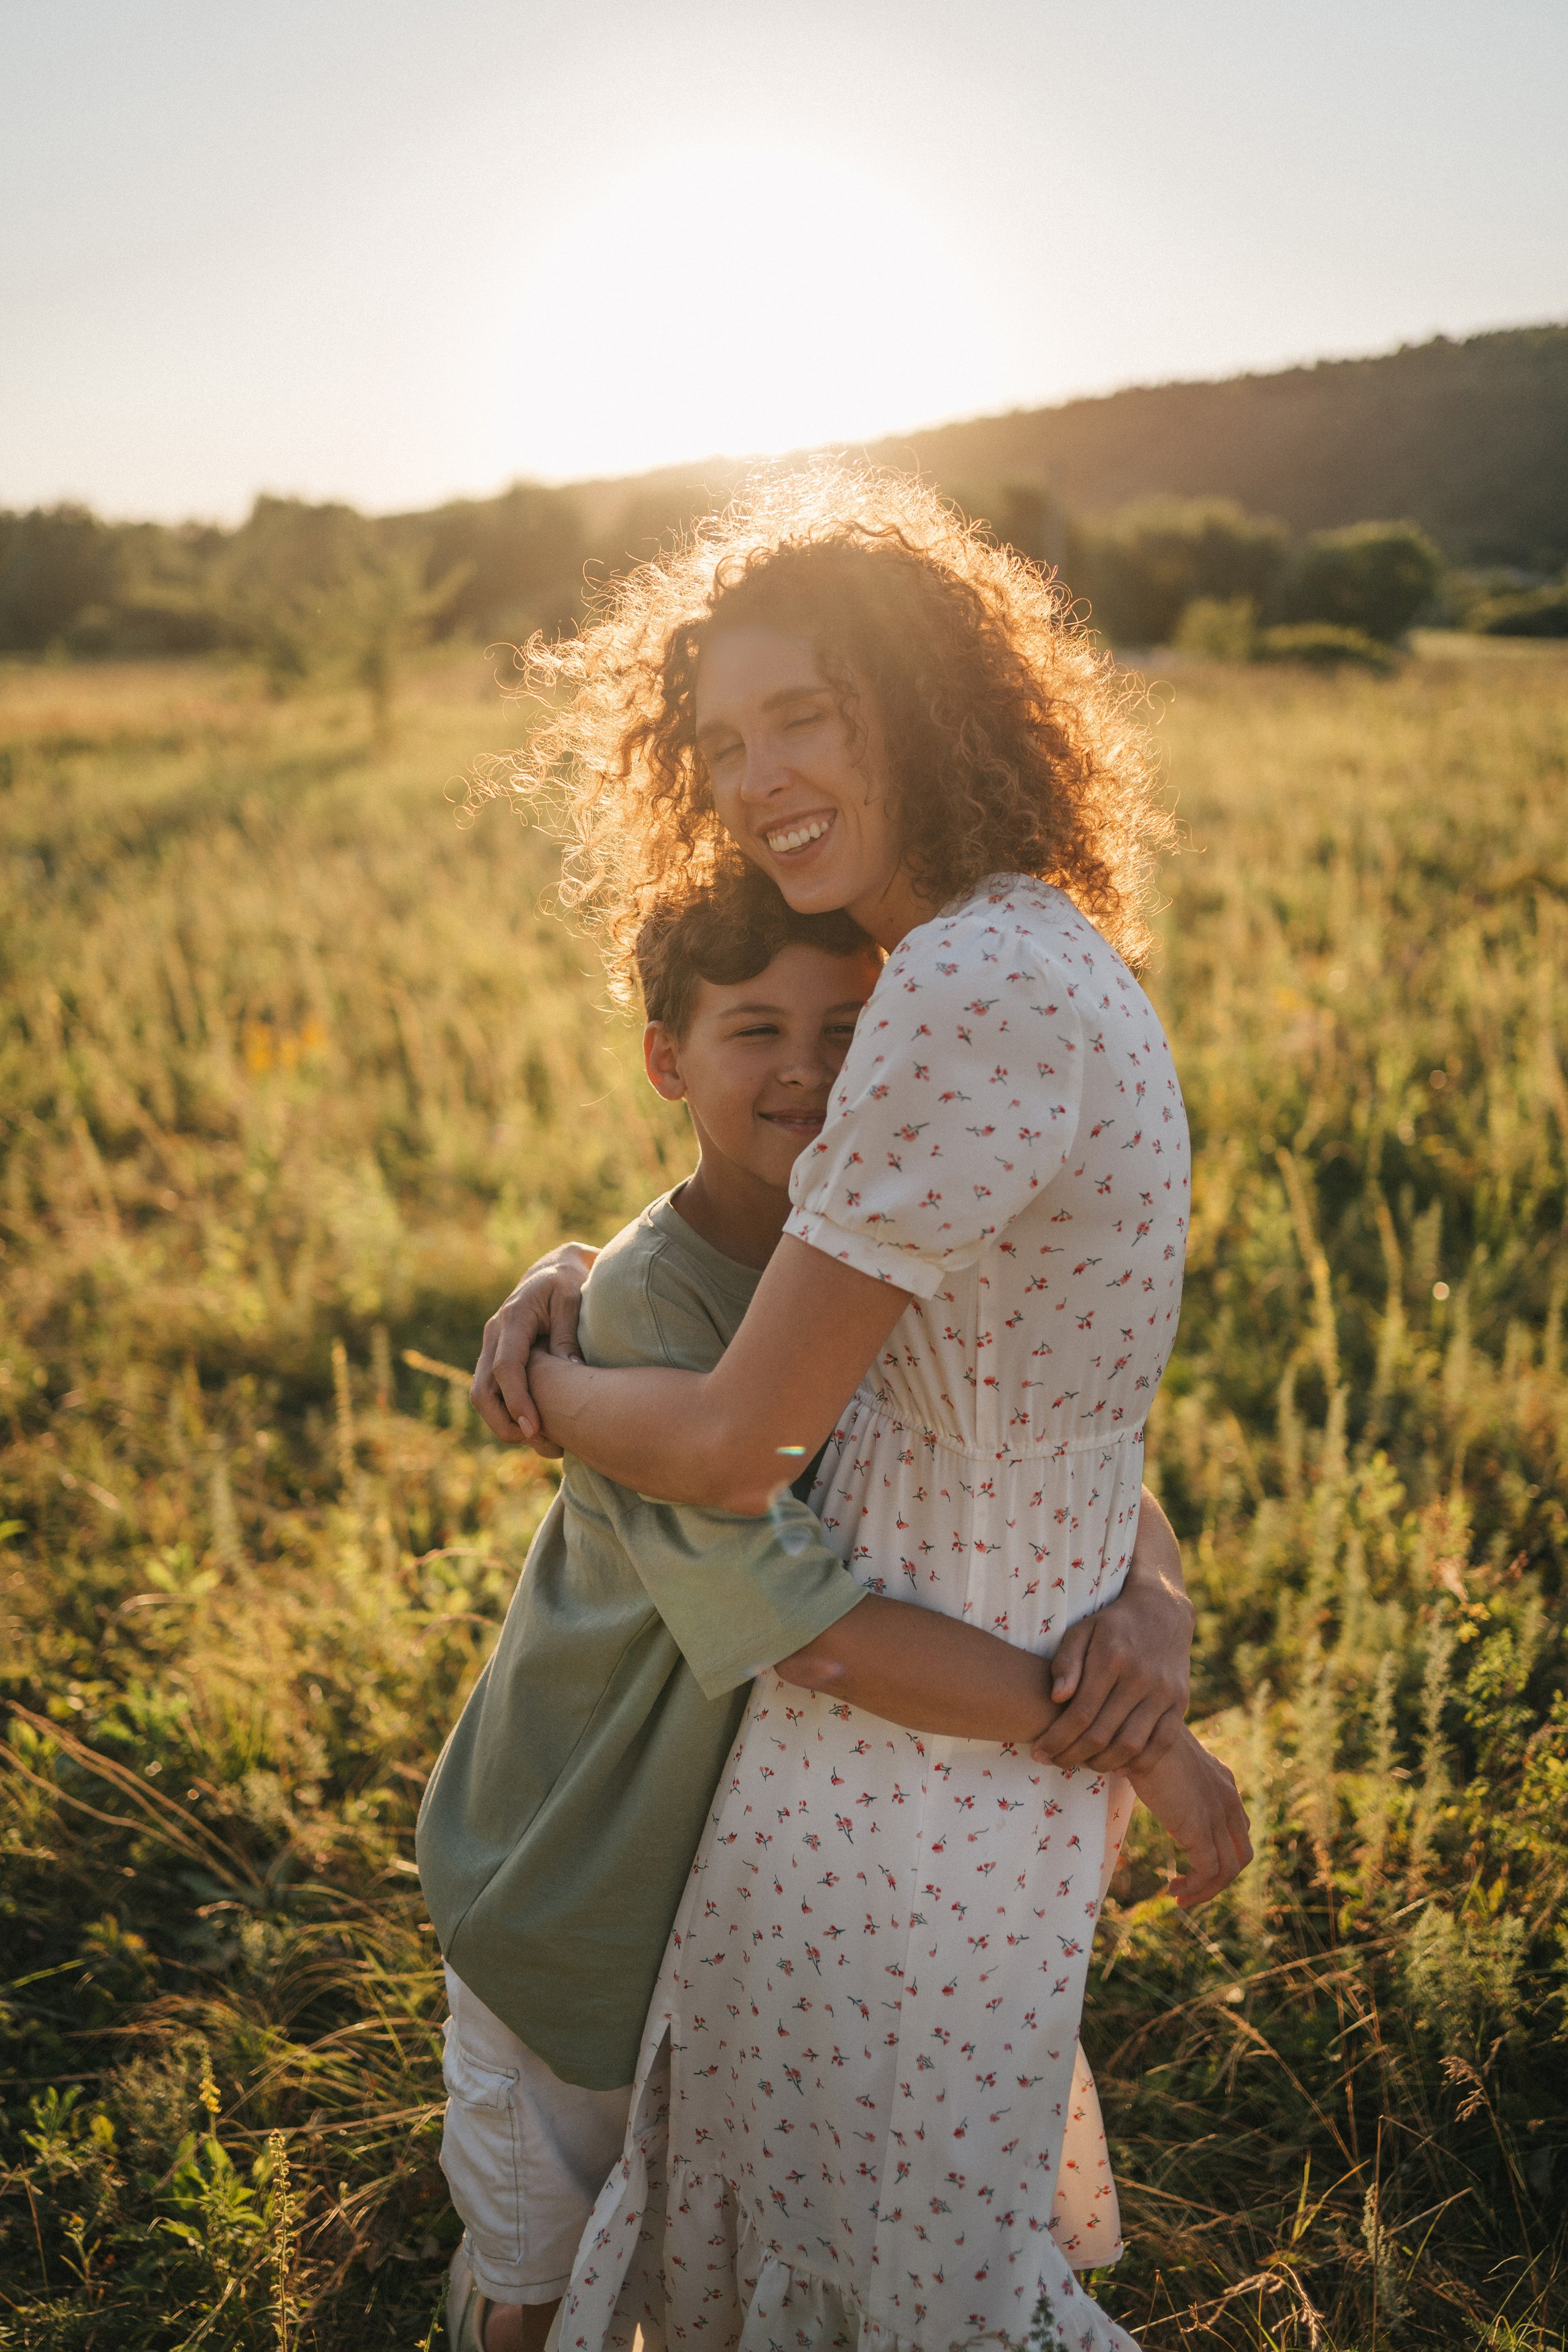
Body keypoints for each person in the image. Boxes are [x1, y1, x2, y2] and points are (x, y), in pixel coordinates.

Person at [469, 469, 1250, 2352]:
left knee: (904, 2284)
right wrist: (585, 1269)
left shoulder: (962, 983)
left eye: (803, 715)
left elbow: (743, 1444)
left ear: (923, 700)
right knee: (870, 2254)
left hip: (920, 1756)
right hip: (976, 1710)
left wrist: (546, 1387)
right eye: (721, 741)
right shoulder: (1010, 951)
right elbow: (1001, 1377)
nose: (755, 778)